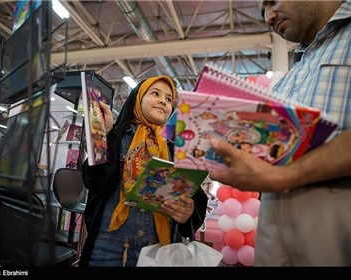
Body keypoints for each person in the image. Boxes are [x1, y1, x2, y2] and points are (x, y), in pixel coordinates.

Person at [208, 0, 351, 266]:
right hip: (273, 224)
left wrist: (284, 175)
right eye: (263, 12)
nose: (268, 17)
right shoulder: (288, 78)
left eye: (271, 2)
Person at [79, 76, 208, 267]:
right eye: (155, 93)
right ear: (137, 98)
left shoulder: (178, 151)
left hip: (158, 252)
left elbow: (196, 198)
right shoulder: (117, 136)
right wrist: (105, 137)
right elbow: (96, 183)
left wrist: (189, 211)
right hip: (108, 248)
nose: (163, 101)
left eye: (169, 99)